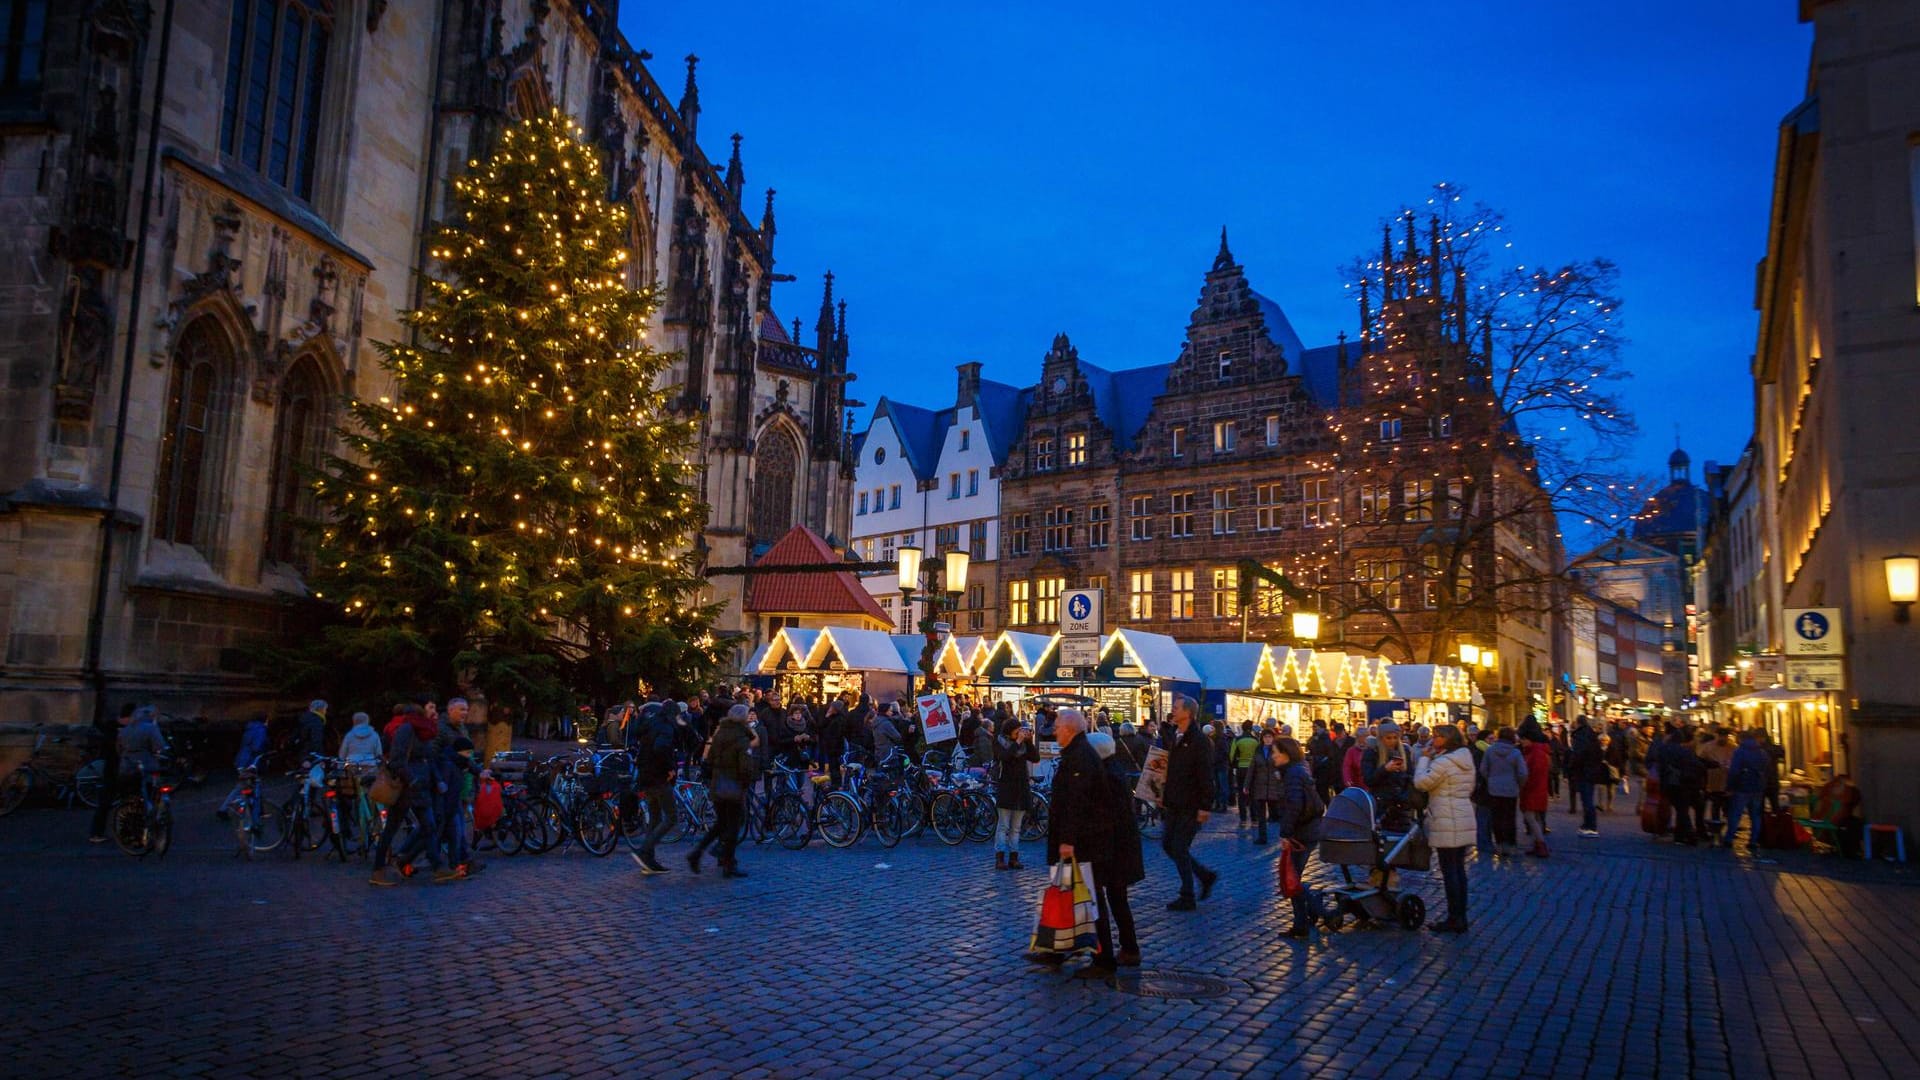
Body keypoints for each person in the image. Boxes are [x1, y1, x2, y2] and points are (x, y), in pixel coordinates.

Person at [1044, 709, 1124, 977]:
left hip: (1084, 842)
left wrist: (1067, 840)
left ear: (1069, 729)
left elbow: (1076, 803)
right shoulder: (1077, 754)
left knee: (1089, 899)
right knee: (1069, 895)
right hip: (1082, 840)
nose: (1054, 731)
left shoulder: (1080, 758)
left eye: (1057, 727)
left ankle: (1103, 959)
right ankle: (1057, 948)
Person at [1414, 724, 1476, 934]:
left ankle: (1454, 918)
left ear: (1447, 739)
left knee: (1450, 871)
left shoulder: (1444, 763)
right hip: (1463, 815)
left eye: (1437, 736)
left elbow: (1421, 783)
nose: (1433, 739)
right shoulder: (1465, 758)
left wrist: (1424, 759)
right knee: (1458, 869)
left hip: (1446, 818)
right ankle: (1460, 915)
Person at [1159, 694, 1217, 911]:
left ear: (1188, 713)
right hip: (1174, 801)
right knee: (1168, 844)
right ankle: (1204, 875)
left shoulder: (1198, 741)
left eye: (1176, 708)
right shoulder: (1177, 736)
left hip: (1190, 803)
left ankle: (1187, 894)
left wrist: (1205, 806)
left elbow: (1205, 775)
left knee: (1179, 847)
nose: (1173, 711)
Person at [690, 703, 756, 878]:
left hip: (718, 784)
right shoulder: (742, 738)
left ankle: (700, 852)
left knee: (721, 824)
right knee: (734, 824)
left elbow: (710, 759)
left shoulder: (720, 735)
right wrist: (745, 782)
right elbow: (746, 767)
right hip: (733, 786)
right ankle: (727, 862)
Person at [1272, 736, 1326, 938]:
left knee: (1293, 878)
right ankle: (1302, 921)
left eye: (1276, 752)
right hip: (1307, 830)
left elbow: (1294, 805)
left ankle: (1308, 914)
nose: (1273, 756)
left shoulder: (1293, 774)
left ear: (1286, 754)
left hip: (1302, 832)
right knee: (1293, 877)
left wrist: (1286, 833)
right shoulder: (1297, 770)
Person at [629, 702, 678, 875]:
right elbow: (661, 747)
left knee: (655, 817)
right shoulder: (665, 727)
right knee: (671, 817)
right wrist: (670, 768)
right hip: (659, 777)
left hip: (646, 775)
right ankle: (645, 851)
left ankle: (649, 859)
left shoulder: (649, 725)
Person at [994, 716, 1039, 870]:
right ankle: (1000, 857)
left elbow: (1035, 758)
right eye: (1017, 730)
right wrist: (1018, 742)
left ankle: (1014, 857)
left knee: (1016, 827)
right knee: (1003, 826)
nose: (1019, 733)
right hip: (1006, 787)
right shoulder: (1000, 742)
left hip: (1021, 787)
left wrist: (1029, 741)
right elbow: (1005, 757)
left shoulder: (1023, 746)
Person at [1656, 728, 1710, 845]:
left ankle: (1679, 836)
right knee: (1683, 810)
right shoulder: (1684, 751)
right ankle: (1690, 835)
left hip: (1668, 783)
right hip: (1682, 783)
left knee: (1681, 809)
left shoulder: (1663, 749)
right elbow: (1697, 765)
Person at [88, 703, 133, 842]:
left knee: (116, 801)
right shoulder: (117, 729)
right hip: (116, 768)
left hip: (116, 768)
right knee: (111, 801)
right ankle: (99, 832)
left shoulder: (110, 727)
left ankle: (102, 832)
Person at [1480, 728, 1528, 857]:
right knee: (1510, 817)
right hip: (1511, 789)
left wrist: (1490, 779)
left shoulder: (1490, 751)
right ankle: (1511, 845)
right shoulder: (1515, 753)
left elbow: (1483, 769)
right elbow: (1523, 773)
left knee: (1497, 817)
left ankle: (1500, 844)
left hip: (1494, 788)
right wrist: (1519, 784)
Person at [1722, 731, 1773, 852]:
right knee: (1755, 815)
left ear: (1741, 739)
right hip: (1758, 787)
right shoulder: (1762, 753)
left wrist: (1730, 787)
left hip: (1742, 787)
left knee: (1735, 813)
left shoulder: (1740, 752)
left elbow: (1734, 771)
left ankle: (1729, 839)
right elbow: (1768, 770)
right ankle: (1754, 840)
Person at [1518, 720, 1553, 857]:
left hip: (1532, 790)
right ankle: (1537, 844)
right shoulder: (1539, 750)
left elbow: (1534, 773)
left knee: (1530, 817)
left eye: (1523, 739)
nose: (1521, 742)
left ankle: (1541, 844)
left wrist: (1524, 785)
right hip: (1538, 789)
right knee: (1536, 818)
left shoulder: (1535, 752)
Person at [1243, 730, 1284, 845]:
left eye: (1269, 737)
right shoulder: (1258, 750)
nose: (1267, 739)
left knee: (1279, 813)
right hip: (1260, 786)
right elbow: (1252, 768)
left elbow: (1282, 765)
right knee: (1261, 814)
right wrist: (1247, 784)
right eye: (1265, 737)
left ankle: (1283, 837)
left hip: (1274, 786)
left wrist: (1280, 776)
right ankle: (1262, 837)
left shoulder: (1277, 750)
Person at [1567, 716, 1605, 836]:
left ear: (1578, 724)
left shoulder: (1580, 736)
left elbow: (1578, 755)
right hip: (1592, 771)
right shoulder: (1592, 735)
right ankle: (1587, 824)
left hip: (1583, 771)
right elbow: (1599, 754)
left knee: (1587, 800)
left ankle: (1591, 826)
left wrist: (1571, 767)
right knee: (1588, 798)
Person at [1229, 723, 1258, 823]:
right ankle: (1254, 817)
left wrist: (1233, 765)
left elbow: (1232, 755)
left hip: (1241, 768)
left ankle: (1243, 818)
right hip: (1253, 769)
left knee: (1242, 794)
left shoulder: (1237, 740)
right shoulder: (1256, 740)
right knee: (1253, 793)